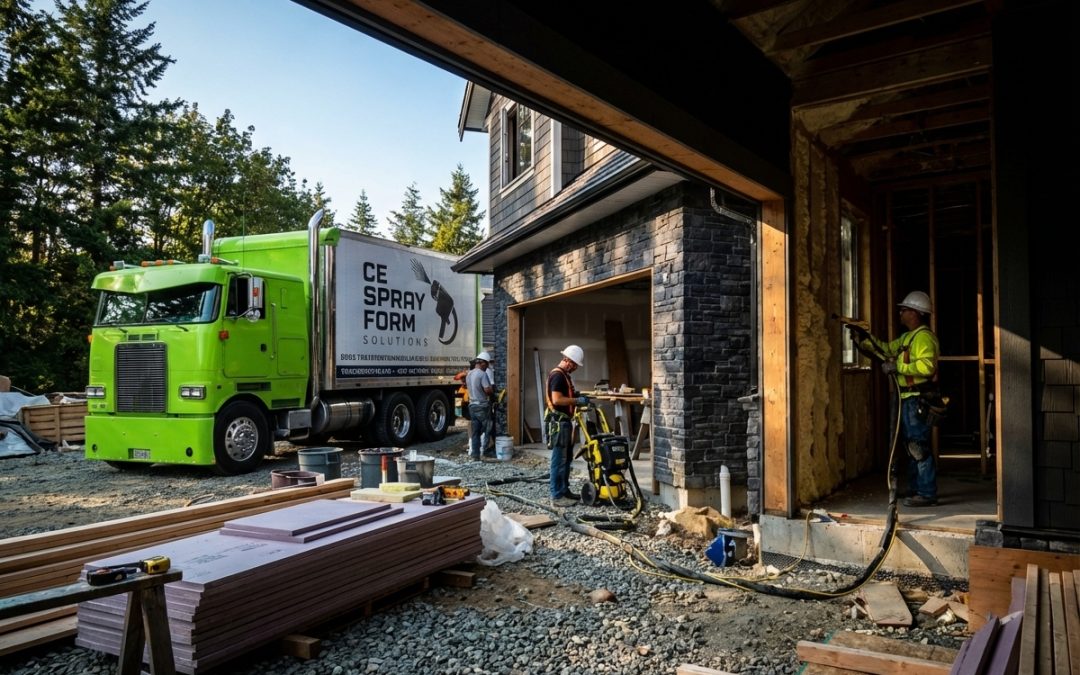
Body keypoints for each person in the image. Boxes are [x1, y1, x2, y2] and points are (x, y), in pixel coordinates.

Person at [848, 290, 941, 507]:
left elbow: (927, 367)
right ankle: (917, 488)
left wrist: (897, 366)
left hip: (918, 399)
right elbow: (887, 349)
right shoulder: (908, 337)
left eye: (905, 309)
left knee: (919, 446)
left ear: (917, 313)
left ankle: (927, 493)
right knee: (911, 446)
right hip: (907, 399)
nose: (900, 312)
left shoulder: (924, 338)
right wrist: (864, 339)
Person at [545, 345, 589, 507]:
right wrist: (577, 401)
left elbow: (565, 395)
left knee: (566, 459)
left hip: (565, 422)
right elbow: (557, 400)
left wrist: (575, 395)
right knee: (559, 460)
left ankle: (564, 490)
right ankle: (557, 496)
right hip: (559, 423)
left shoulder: (564, 376)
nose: (576, 368)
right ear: (568, 361)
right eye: (575, 364)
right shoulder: (557, 376)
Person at [465, 351, 494, 461]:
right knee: (488, 427)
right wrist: (492, 390)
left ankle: (475, 455)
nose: (487, 367)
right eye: (486, 364)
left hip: (472, 405)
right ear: (482, 363)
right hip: (482, 405)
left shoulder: (469, 374)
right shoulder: (482, 374)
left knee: (475, 431)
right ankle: (485, 451)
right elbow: (487, 390)